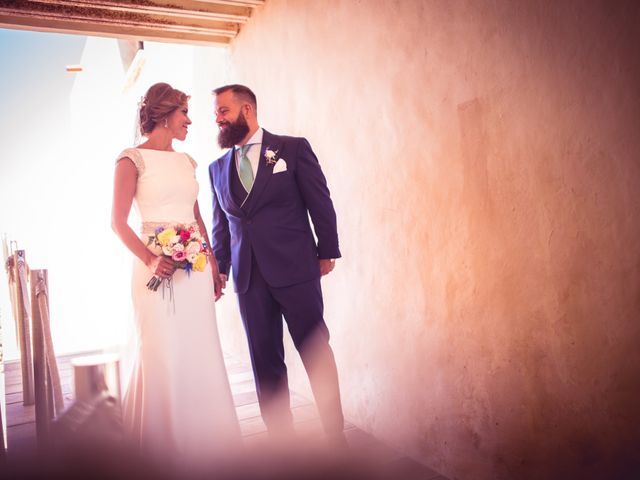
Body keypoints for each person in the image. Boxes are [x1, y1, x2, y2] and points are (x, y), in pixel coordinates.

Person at [111, 82, 241, 467]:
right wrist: (151, 260)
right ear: (165, 114)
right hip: (155, 271)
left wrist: (214, 262)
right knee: (162, 350)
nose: (190, 120)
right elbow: (118, 223)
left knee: (200, 347)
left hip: (195, 269)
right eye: (185, 112)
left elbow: (196, 215)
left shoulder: (188, 162)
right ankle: (161, 450)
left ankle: (208, 441)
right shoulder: (131, 159)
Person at [209, 84, 346, 444]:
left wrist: (326, 251)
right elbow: (221, 227)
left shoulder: (292, 149)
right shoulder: (216, 169)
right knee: (264, 362)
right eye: (217, 113)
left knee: (316, 351)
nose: (218, 119)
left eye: (223, 111)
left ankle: (336, 436)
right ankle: (283, 445)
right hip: (249, 281)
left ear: (247, 110)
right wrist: (220, 269)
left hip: (297, 271)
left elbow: (320, 201)